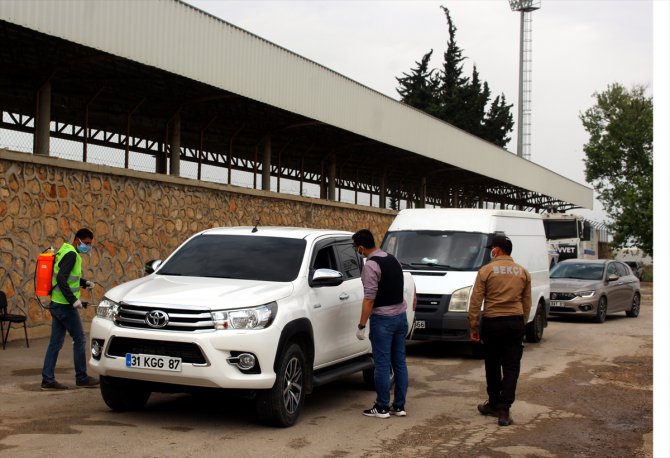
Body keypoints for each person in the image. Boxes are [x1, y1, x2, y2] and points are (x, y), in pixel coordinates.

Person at [467, 234, 531, 426]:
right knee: (511, 367)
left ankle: (494, 402)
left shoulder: (486, 271)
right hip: (514, 323)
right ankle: (504, 409)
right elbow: (526, 303)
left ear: (498, 249)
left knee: (492, 364)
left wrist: (474, 326)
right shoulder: (523, 272)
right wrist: (522, 323)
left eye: (492, 249)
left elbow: (476, 300)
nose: (490, 252)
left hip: (493, 322)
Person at [353, 228, 415, 419]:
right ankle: (399, 406)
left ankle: (381, 407)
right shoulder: (392, 258)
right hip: (400, 317)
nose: (357, 251)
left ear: (362, 247)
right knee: (399, 363)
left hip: (383, 320)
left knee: (381, 364)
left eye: (356, 248)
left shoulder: (370, 266)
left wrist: (362, 325)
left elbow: (369, 299)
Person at [41, 228, 100, 390]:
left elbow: (66, 275)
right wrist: (73, 300)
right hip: (65, 306)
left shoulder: (65, 250)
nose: (88, 247)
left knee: (55, 343)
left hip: (57, 303)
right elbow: (61, 278)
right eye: (86, 243)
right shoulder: (72, 255)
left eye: (90, 244)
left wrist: (84, 283)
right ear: (78, 240)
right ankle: (81, 377)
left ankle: (47, 380)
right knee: (80, 339)